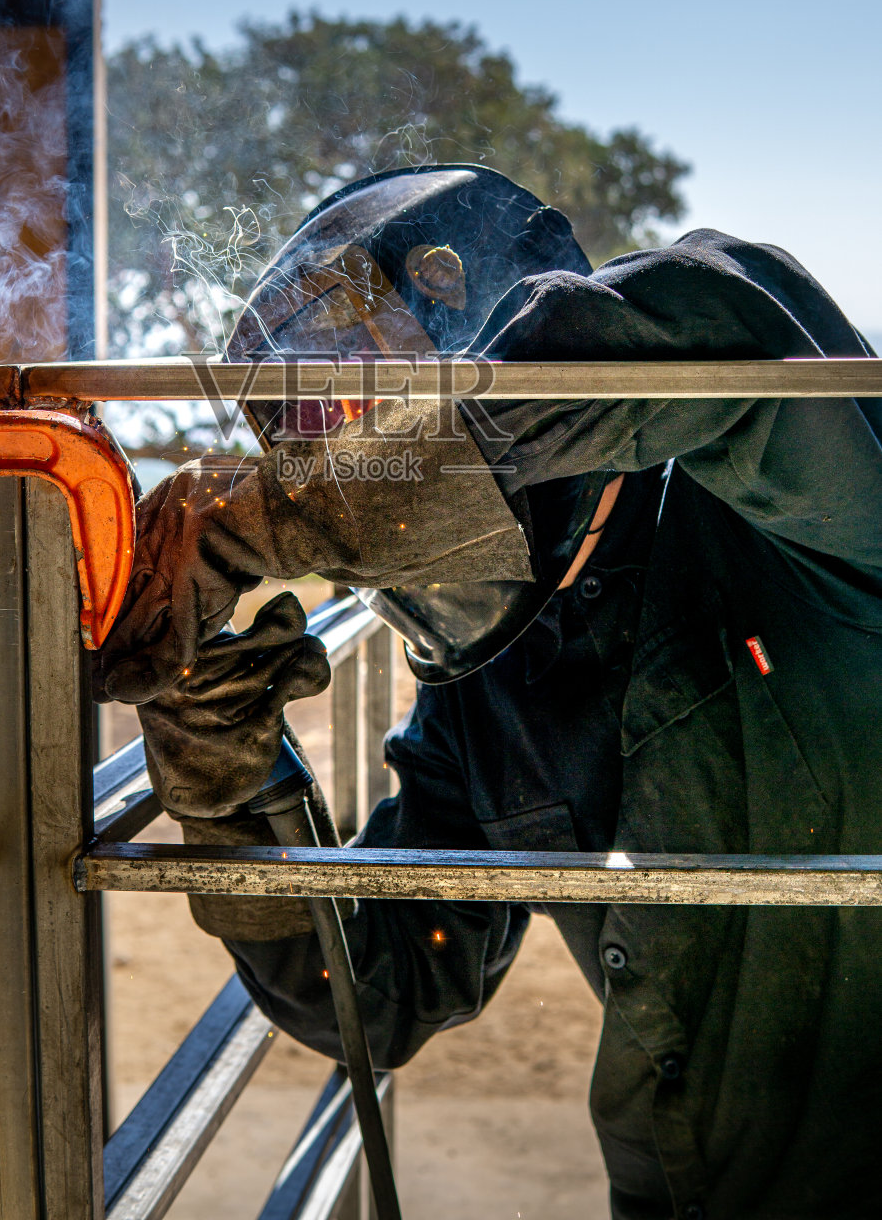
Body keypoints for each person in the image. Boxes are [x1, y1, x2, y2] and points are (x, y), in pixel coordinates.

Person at [99, 166, 882, 1220]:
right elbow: (372, 993)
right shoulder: (483, 696)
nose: (327, 457)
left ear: (474, 300)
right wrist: (222, 780)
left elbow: (725, 307)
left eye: (349, 415)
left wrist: (295, 512)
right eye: (306, 442)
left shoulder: (784, 501)